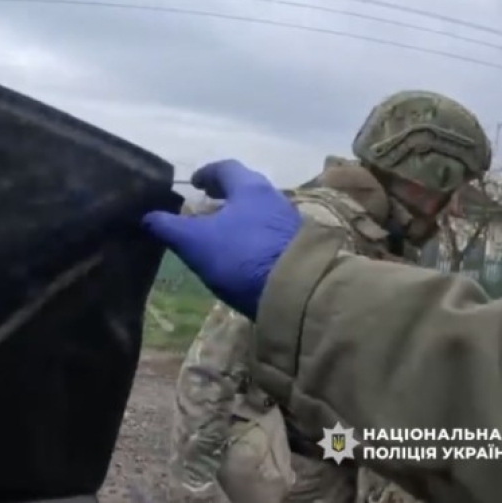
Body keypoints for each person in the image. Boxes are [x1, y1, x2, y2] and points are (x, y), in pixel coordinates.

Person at [150, 90, 493, 503]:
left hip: (329, 454)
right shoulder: (321, 229)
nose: (454, 207)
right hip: (286, 465)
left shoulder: (381, 236)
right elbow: (211, 367)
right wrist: (193, 488)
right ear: (425, 177)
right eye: (452, 190)